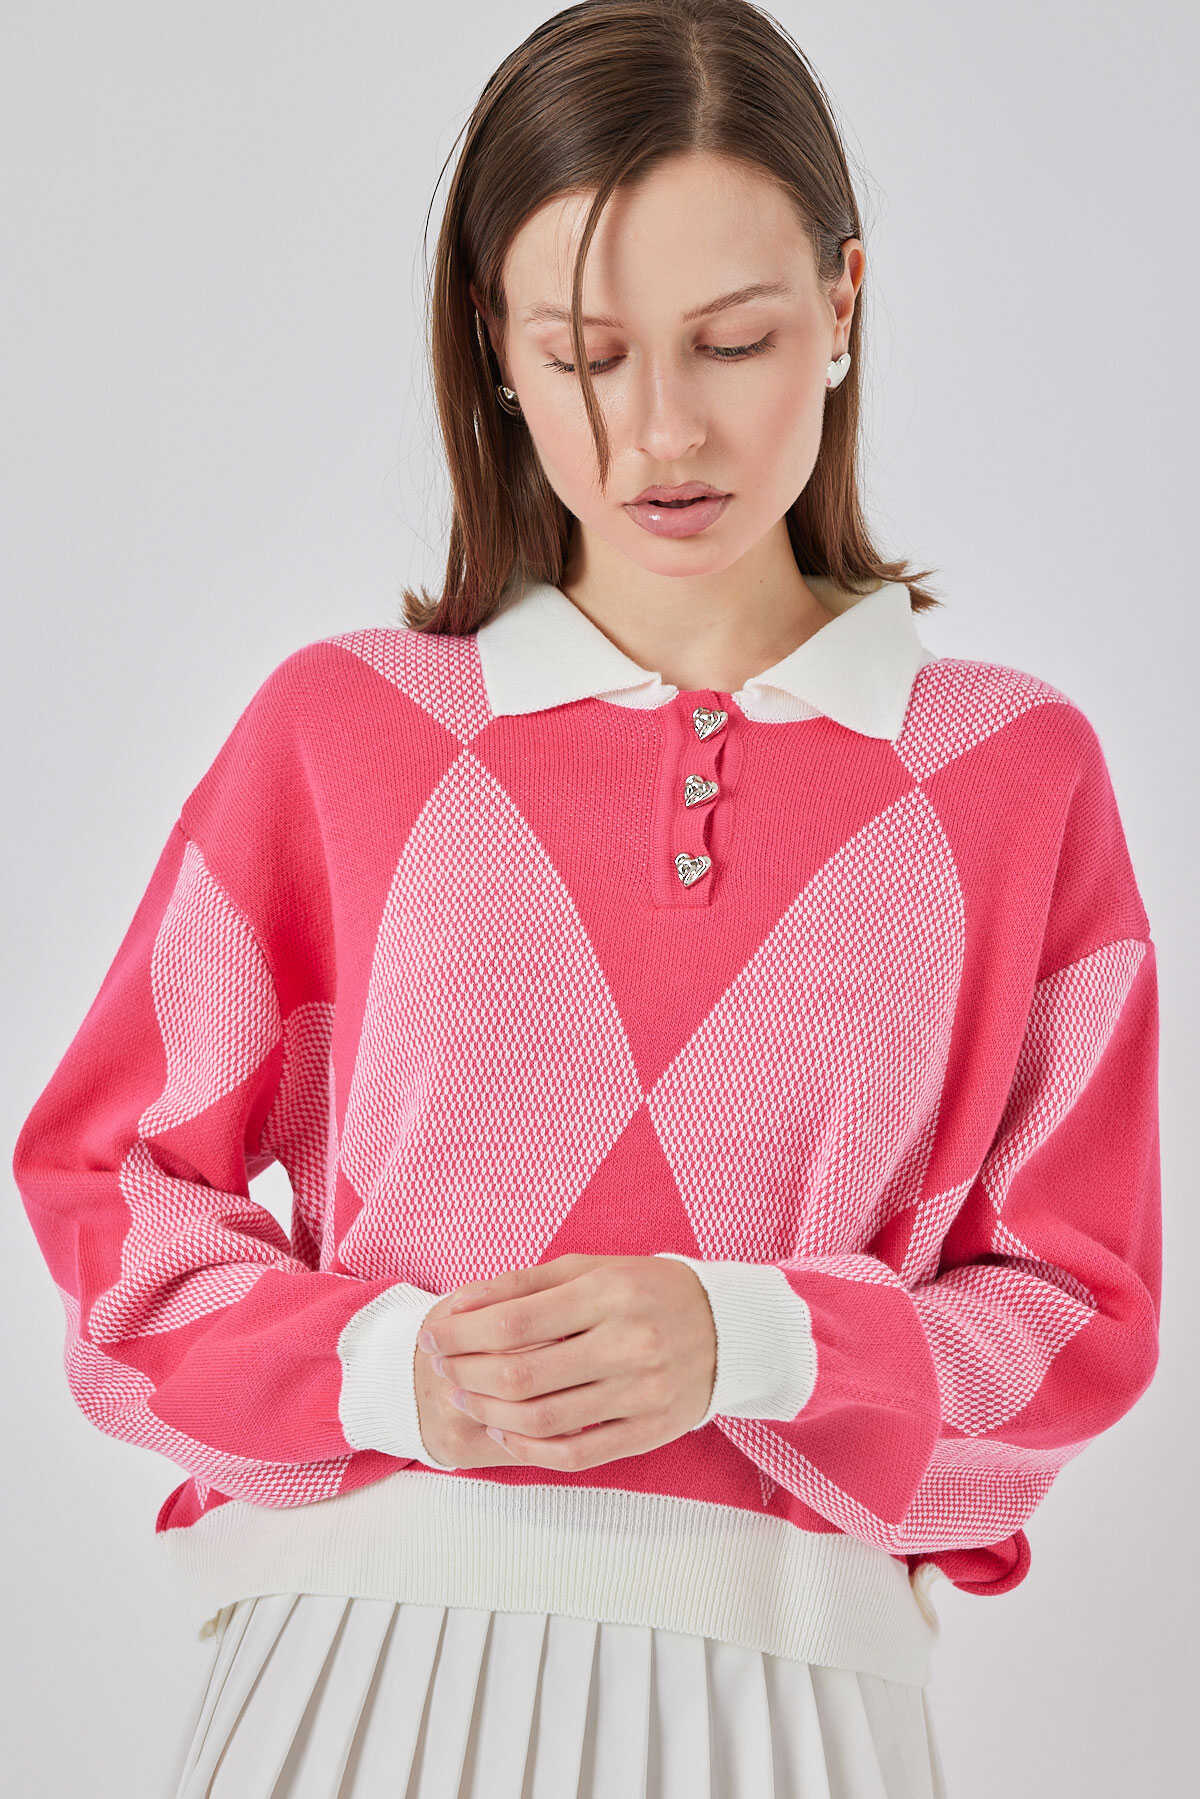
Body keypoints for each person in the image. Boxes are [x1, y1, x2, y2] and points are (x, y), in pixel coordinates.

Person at [12, 2, 1162, 1795]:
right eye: (584, 356)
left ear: (844, 305)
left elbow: (1081, 1323)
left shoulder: (1009, 776)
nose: (660, 432)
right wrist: (389, 1374)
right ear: (497, 346)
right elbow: (107, 1193)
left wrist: (756, 1340)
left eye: (733, 341)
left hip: (789, 1707)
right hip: (353, 1682)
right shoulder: (350, 730)